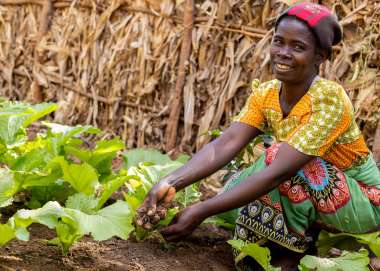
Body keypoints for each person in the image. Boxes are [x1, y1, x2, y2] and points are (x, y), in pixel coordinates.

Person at [137, 2, 380, 270]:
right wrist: (171, 181)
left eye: (297, 47)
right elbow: (226, 144)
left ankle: (283, 259)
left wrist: (201, 210)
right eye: (279, 42)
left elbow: (277, 173)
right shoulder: (266, 94)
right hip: (310, 187)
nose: (283, 53)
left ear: (319, 57)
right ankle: (299, 237)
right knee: (235, 189)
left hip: (364, 199)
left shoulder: (329, 100)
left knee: (278, 167)